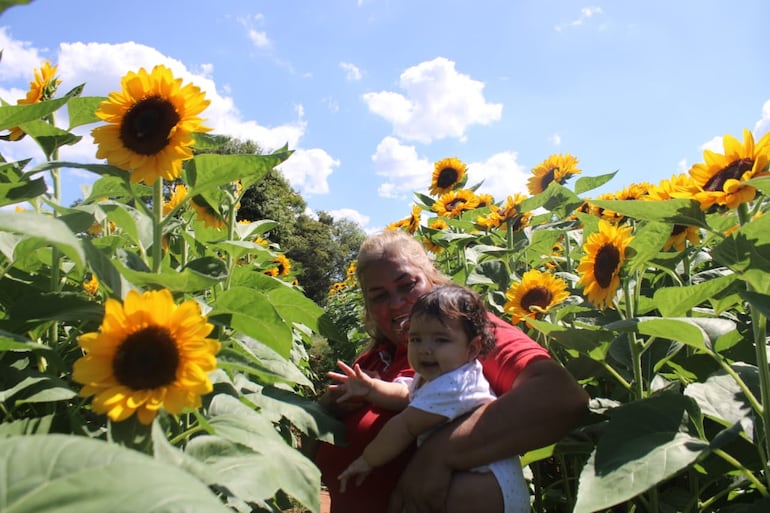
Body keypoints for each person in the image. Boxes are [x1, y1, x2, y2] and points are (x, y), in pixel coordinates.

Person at [314, 230, 589, 513]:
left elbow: (559, 396)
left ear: (432, 278)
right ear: (368, 306)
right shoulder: (373, 359)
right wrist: (328, 406)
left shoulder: (463, 331)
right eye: (378, 295)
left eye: (407, 285)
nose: (396, 303)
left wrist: (439, 454)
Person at [332, 284, 530, 513]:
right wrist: (371, 388)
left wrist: (367, 461)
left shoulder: (455, 384)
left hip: (486, 483)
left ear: (473, 348)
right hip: (478, 473)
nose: (425, 349)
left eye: (440, 340)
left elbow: (404, 426)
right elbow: (407, 395)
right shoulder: (440, 374)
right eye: (416, 339)